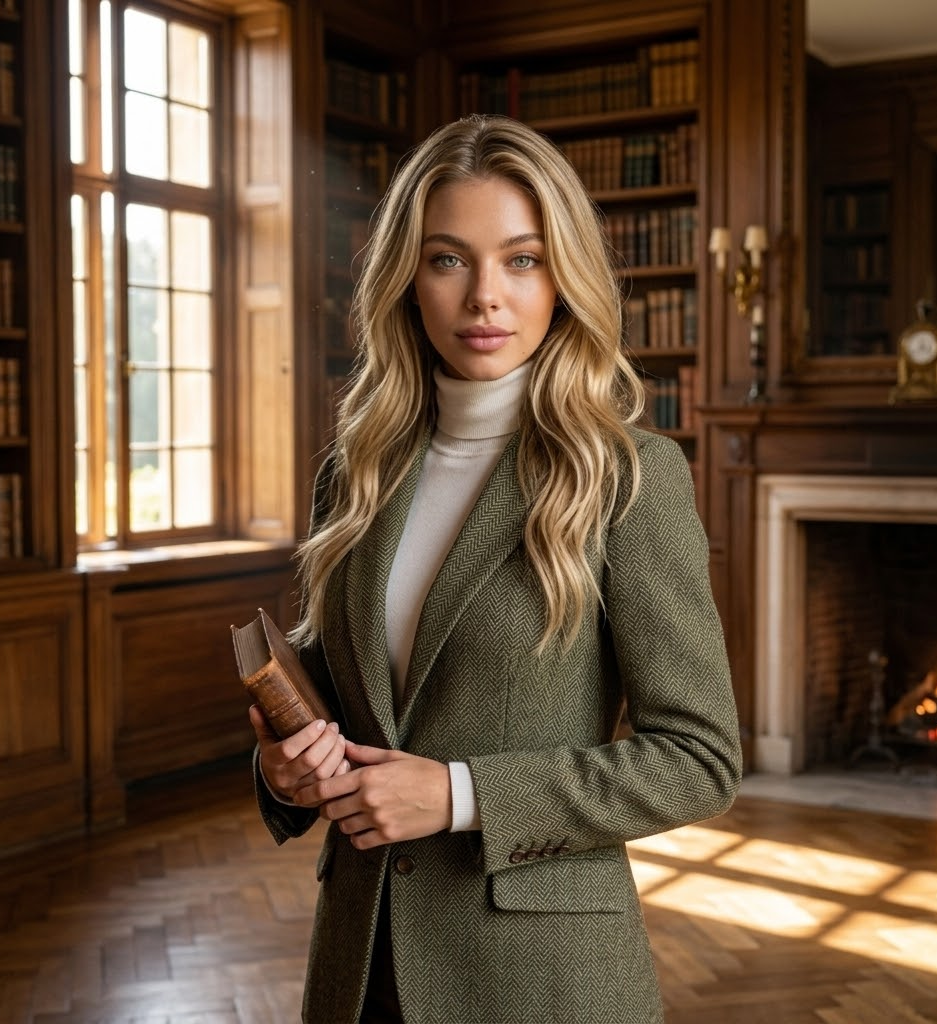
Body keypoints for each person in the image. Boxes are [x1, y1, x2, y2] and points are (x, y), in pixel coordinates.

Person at [249, 113, 741, 1024]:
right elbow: (339, 703)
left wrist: (457, 794)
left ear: (564, 279)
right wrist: (286, 774)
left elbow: (700, 760)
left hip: (539, 976)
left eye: (521, 259)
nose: (485, 296)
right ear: (408, 278)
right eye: (448, 259)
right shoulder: (354, 476)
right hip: (361, 964)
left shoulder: (629, 477)